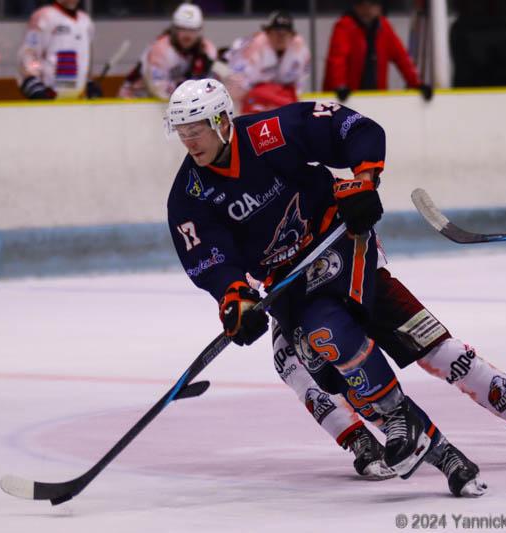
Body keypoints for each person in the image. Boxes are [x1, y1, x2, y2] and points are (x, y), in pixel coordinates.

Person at [166, 78, 484, 497]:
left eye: (198, 127)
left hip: (336, 241)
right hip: (287, 280)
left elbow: (354, 128)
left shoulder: (268, 134)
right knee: (322, 361)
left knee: (329, 331)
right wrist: (234, 298)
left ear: (223, 120)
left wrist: (364, 180)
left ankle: (400, 421)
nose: (190, 140)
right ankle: (441, 452)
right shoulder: (189, 195)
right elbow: (210, 257)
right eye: (183, 131)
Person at [271, 263, 506, 481]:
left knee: (446, 353)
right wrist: (237, 301)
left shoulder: (300, 175)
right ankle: (369, 442)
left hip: (357, 279)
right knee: (299, 368)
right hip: (299, 306)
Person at [323, 0, 431, 103]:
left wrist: (417, 84)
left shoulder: (384, 27)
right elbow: (337, 59)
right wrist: (340, 86)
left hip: (375, 98)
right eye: (364, 4)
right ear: (357, 6)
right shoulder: (345, 26)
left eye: (372, 5)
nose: (368, 9)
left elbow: (402, 58)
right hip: (346, 97)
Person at [118, 3, 221, 100]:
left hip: (176, 101)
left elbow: (212, 86)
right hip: (136, 98)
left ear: (200, 31)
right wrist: (191, 88)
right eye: (182, 29)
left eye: (192, 30)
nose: (187, 35)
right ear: (174, 29)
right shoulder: (160, 49)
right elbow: (158, 89)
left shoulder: (207, 50)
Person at [224, 11, 310, 114]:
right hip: (250, 99)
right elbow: (237, 83)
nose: (280, 37)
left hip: (282, 98)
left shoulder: (300, 49)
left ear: (292, 35)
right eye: (276, 32)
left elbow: (299, 83)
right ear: (268, 32)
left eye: (285, 33)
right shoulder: (252, 47)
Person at [17, 0, 101, 100]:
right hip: (50, 97)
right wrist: (32, 81)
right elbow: (30, 54)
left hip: (78, 99)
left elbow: (84, 60)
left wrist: (89, 82)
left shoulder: (86, 21)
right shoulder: (44, 16)